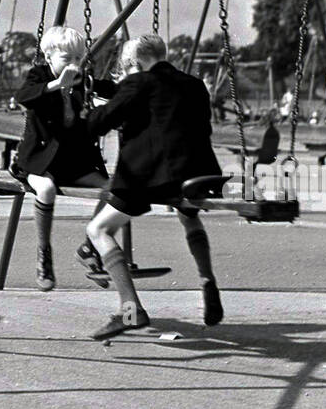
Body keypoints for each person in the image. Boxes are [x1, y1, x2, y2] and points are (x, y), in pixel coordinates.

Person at [82, 34, 225, 341]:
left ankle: (130, 310)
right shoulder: (194, 84)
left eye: (125, 67)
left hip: (151, 177)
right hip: (198, 173)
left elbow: (100, 122)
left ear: (134, 64)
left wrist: (87, 111)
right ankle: (207, 279)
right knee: (188, 215)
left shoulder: (140, 82)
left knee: (99, 230)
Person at [11, 26, 113, 292]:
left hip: (72, 162)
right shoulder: (39, 77)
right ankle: (44, 253)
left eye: (78, 59)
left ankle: (89, 246)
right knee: (45, 190)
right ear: (49, 58)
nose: (74, 65)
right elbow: (23, 96)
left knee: (114, 190)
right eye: (67, 59)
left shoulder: (83, 81)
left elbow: (113, 90)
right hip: (39, 162)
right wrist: (57, 85)